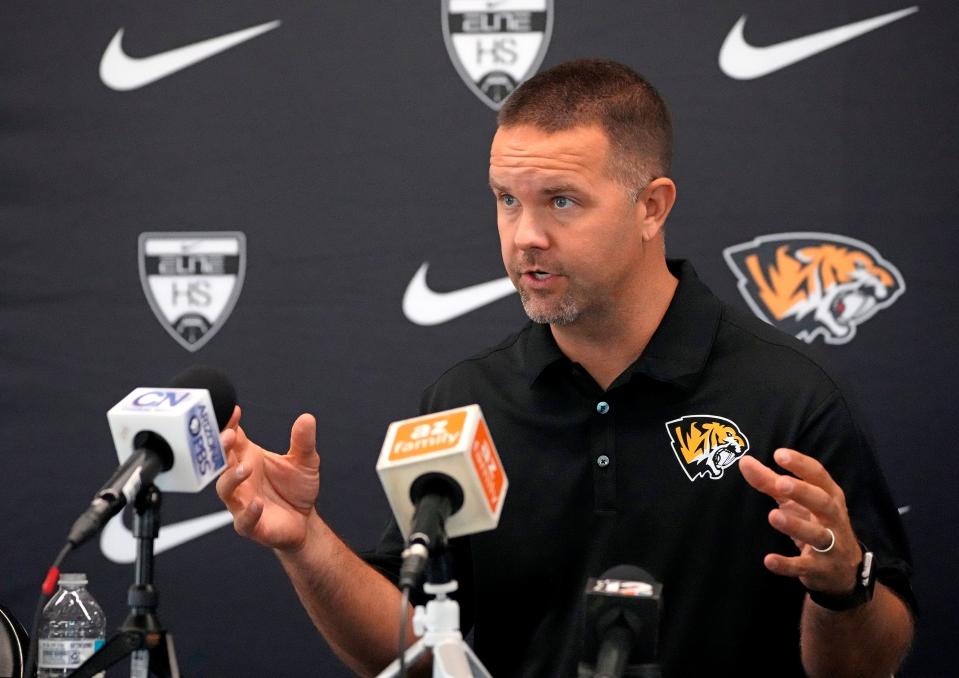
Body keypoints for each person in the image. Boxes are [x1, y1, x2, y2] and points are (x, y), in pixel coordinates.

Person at [216, 59, 915, 676]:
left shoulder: (790, 400)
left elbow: (872, 661)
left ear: (651, 207)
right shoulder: (462, 403)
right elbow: (412, 654)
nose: (525, 236)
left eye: (560, 200)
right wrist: (305, 542)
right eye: (505, 200)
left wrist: (842, 586)